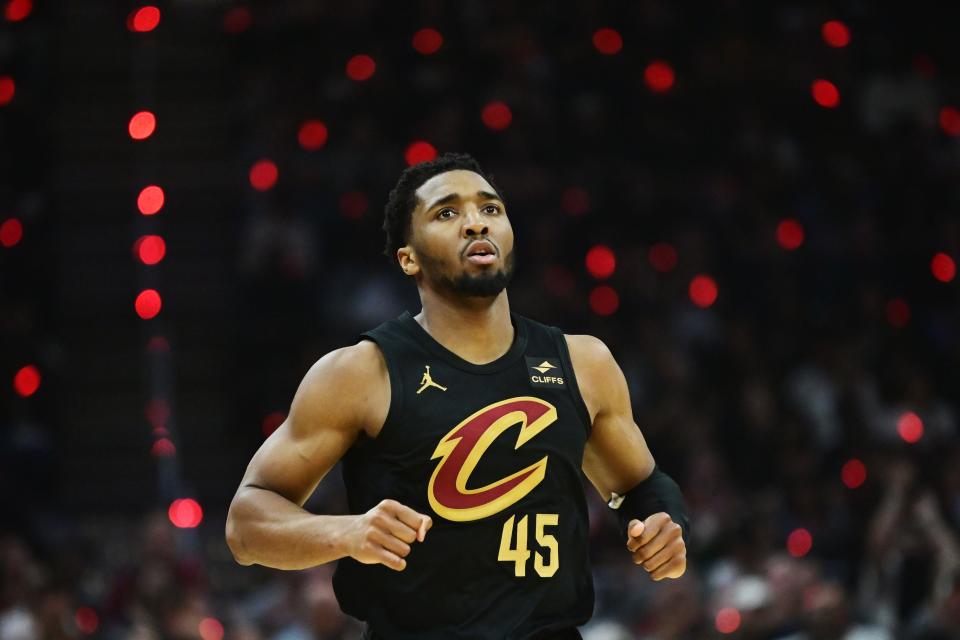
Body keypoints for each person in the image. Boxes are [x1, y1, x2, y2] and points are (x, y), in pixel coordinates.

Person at [226, 153, 690, 639]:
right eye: (446, 213)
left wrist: (662, 524)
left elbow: (642, 486)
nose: (475, 223)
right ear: (408, 257)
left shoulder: (584, 363)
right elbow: (246, 525)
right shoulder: (362, 372)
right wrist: (347, 532)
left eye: (490, 209)